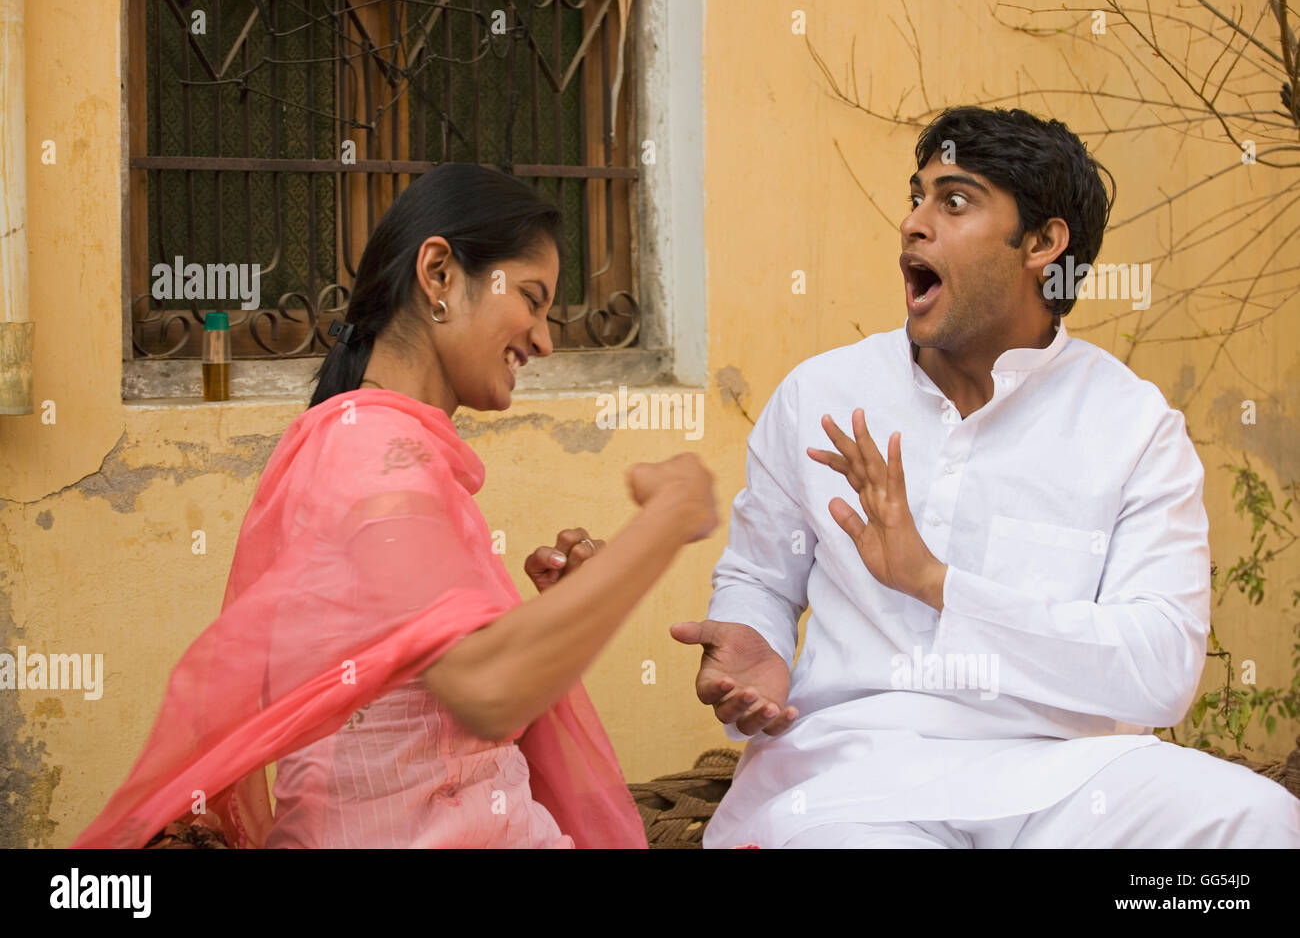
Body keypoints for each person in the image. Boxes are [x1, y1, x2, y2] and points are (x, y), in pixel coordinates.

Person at [674, 106, 1300, 848]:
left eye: (955, 200)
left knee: (1260, 822)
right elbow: (759, 577)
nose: (913, 222)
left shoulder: (1133, 427)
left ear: (1043, 243)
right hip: (858, 779)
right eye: (917, 195)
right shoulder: (821, 396)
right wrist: (756, 642)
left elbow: (1159, 670)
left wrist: (937, 582)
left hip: (1072, 779)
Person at [75, 163, 717, 849]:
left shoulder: (385, 449)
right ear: (438, 273)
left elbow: (446, 711)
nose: (543, 338)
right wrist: (668, 519)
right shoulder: (375, 452)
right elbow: (488, 687)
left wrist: (565, 608)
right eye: (531, 299)